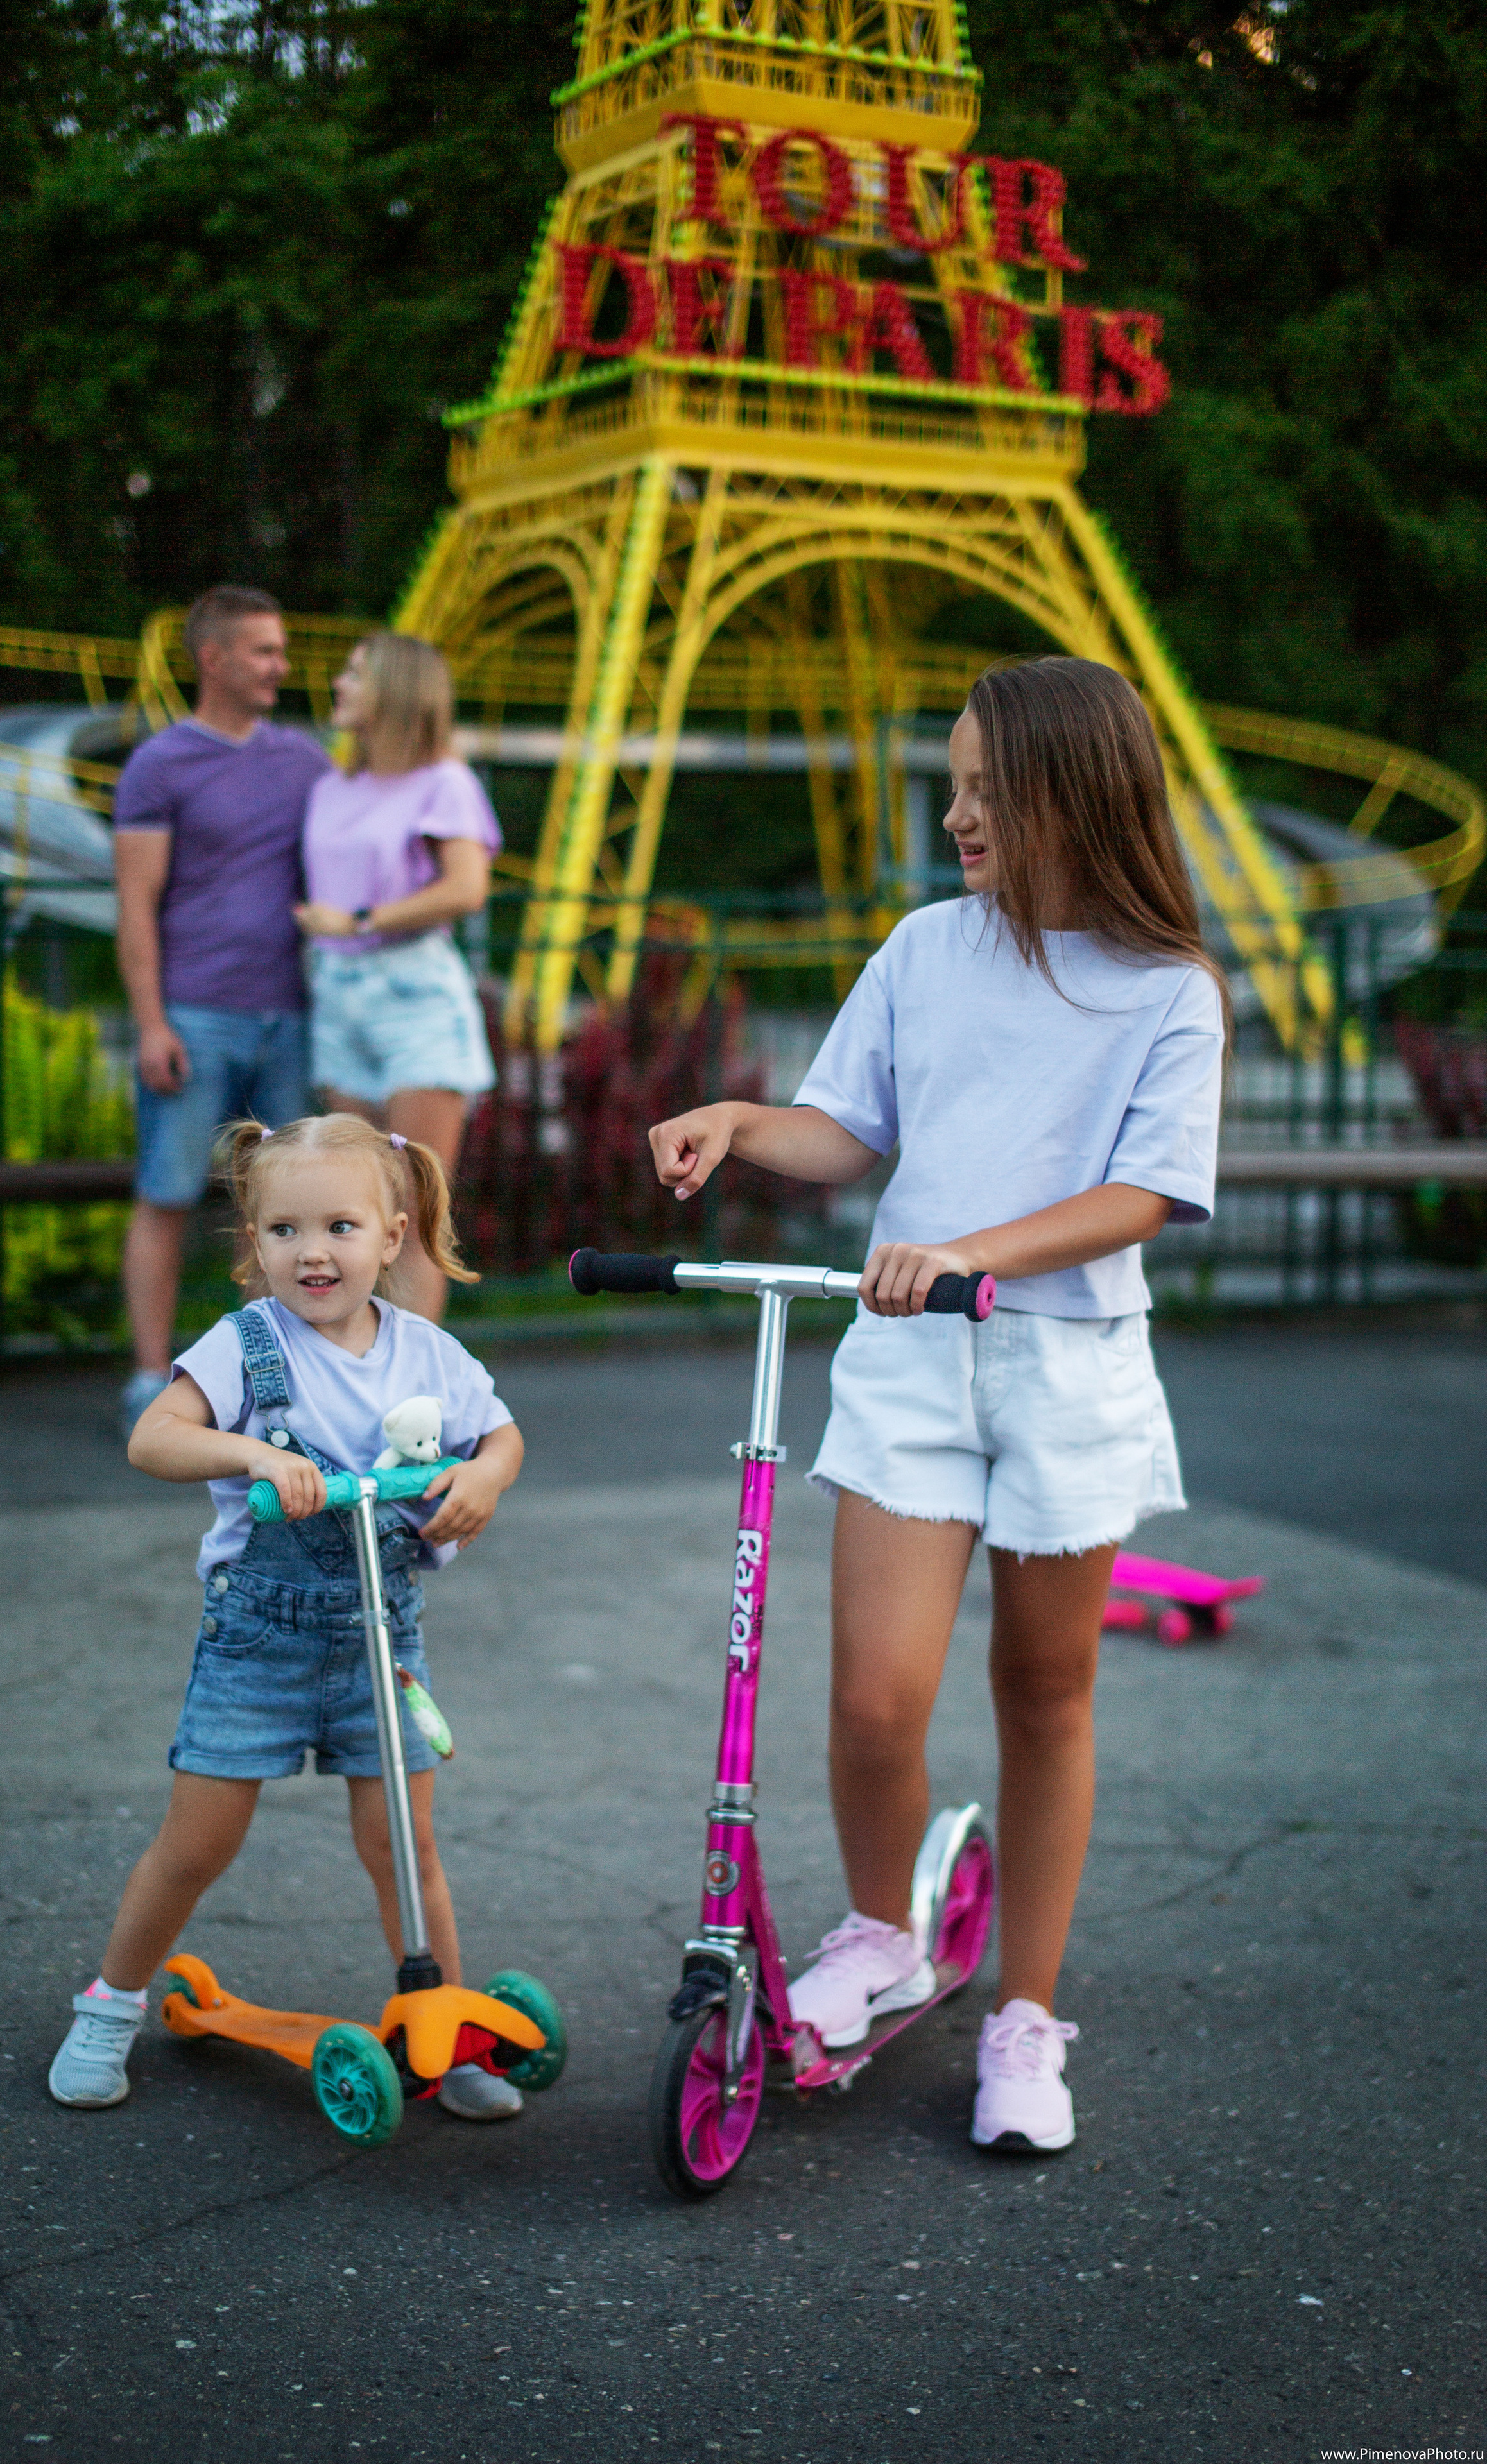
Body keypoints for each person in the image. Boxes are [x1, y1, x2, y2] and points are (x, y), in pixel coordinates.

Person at [646, 658, 1226, 2155]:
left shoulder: (1168, 988)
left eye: (983, 790)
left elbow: (1143, 1193)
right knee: (871, 1699)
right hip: (909, 1353)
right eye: (953, 786)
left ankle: (1025, 2013)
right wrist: (739, 1121)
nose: (956, 816)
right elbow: (843, 1133)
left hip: (1064, 1367)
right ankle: (879, 1932)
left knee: (1042, 1689)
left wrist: (974, 1249)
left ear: (1072, 799)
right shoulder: (923, 947)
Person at [48, 1111, 525, 2121]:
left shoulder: (427, 1355)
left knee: (405, 1845)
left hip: (380, 1639)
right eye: (284, 1231)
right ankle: (110, 2004)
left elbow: (501, 1436)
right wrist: (254, 1453)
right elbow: (154, 1439)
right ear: (254, 1243)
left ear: (392, 1236)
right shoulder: (244, 1346)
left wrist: (485, 1476)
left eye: (340, 1227)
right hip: (259, 1642)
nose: (313, 1252)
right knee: (197, 1845)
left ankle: (442, 2024)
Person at [114, 585, 331, 1432]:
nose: (281, 665)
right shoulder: (160, 764)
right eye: (264, 651)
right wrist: (151, 1022)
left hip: (291, 1019)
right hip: (193, 1018)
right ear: (213, 658)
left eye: (281, 649)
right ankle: (148, 1383)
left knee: (279, 1210)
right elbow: (136, 904)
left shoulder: (306, 762)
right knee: (167, 1194)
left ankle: (262, 1387)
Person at [293, 632, 499, 1324]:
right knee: (349, 1210)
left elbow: (467, 888)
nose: (340, 685)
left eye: (356, 674)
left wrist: (359, 920)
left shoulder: (445, 781)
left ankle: (410, 1385)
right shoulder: (331, 787)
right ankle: (348, 1370)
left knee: (413, 1207)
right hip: (338, 994)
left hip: (413, 995)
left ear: (397, 688)